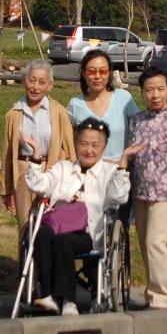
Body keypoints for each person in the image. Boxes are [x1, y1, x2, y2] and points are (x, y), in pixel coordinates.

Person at [24, 116, 131, 316]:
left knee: (63, 242)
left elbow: (119, 196)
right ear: (76, 143)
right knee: (42, 233)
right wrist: (37, 157)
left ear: (104, 147)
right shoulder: (63, 168)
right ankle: (46, 295)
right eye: (83, 144)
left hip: (89, 233)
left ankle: (68, 301)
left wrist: (123, 164)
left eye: (94, 145)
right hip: (58, 227)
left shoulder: (109, 172)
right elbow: (39, 185)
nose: (88, 150)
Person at [122, 67, 167, 310]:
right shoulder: (137, 121)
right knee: (145, 244)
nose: (155, 94)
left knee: (156, 242)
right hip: (141, 192)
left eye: (160, 89)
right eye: (149, 90)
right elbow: (131, 156)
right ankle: (152, 295)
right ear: (143, 92)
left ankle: (163, 297)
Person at [2, 59, 76, 240]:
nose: (35, 87)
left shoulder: (59, 112)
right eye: (32, 80)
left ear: (49, 86)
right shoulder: (13, 114)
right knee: (25, 227)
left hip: (50, 170)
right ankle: (27, 268)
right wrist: (6, 190)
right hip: (24, 172)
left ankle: (48, 267)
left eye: (41, 82)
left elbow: (69, 147)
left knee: (50, 226)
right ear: (24, 81)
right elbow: (6, 154)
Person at [67, 49, 138, 163]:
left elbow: (139, 131)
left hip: (120, 170)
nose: (97, 76)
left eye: (103, 71)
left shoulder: (124, 98)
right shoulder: (74, 104)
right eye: (91, 71)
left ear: (109, 73)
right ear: (84, 73)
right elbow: (69, 143)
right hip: (87, 172)